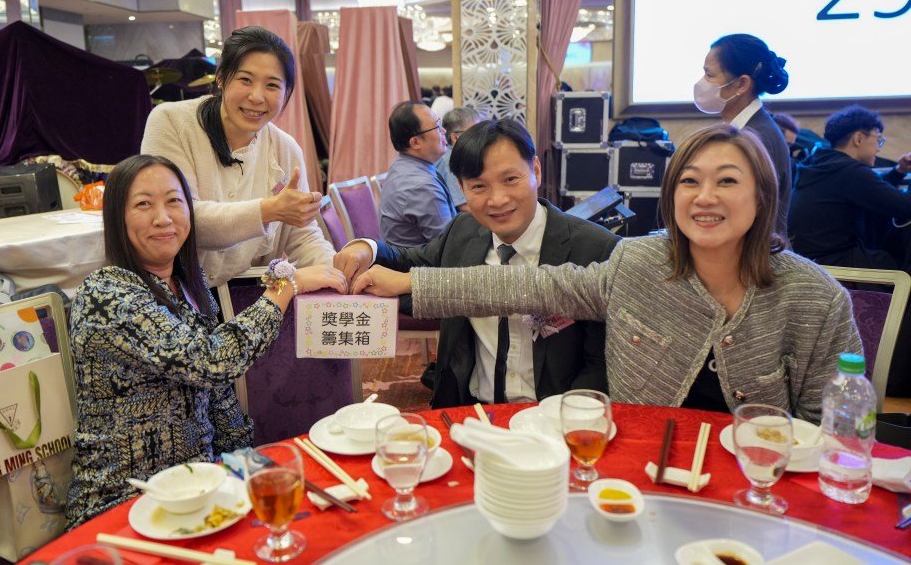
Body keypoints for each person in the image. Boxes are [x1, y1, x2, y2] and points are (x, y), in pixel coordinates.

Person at [354, 124, 861, 423]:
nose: (705, 197)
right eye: (689, 182)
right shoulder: (638, 264)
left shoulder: (815, 298)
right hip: (634, 473)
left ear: (763, 195)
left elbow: (832, 427)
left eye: (727, 181)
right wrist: (406, 280)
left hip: (756, 481)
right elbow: (528, 284)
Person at [65, 155, 346, 528]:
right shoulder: (106, 294)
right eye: (144, 204)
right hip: (124, 501)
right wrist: (285, 286)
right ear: (117, 216)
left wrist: (247, 465)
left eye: (174, 201)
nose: (163, 218)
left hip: (200, 489)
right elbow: (211, 362)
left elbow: (219, 395)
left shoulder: (187, 281)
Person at [337, 119, 619, 407]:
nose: (497, 200)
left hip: (555, 415)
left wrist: (564, 418)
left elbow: (602, 364)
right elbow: (408, 259)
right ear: (461, 188)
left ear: (535, 170)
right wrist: (366, 248)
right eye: (479, 186)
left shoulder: (596, 249)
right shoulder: (462, 232)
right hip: (471, 410)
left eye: (510, 179)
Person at [141, 26, 333, 311]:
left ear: (286, 93)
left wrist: (336, 270)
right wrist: (269, 210)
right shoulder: (171, 123)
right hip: (175, 301)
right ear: (221, 78)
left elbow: (302, 235)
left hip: (249, 300)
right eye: (245, 80)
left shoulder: (286, 149)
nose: (257, 97)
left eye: (272, 86)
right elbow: (178, 219)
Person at [789, 105, 911, 270]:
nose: (879, 148)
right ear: (858, 138)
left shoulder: (819, 162)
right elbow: (905, 207)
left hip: (808, 261)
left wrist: (899, 171)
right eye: (878, 139)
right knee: (899, 259)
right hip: (835, 264)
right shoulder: (850, 172)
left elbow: (873, 190)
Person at [694, 34, 792, 237]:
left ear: (741, 84)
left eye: (710, 75)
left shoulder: (757, 137)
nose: (702, 83)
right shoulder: (747, 128)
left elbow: (748, 214)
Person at [378, 100, 457, 246]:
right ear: (415, 143)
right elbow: (449, 247)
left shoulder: (403, 164)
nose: (444, 131)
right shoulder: (421, 186)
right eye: (437, 127)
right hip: (422, 261)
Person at [437, 106, 489, 212]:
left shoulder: (464, 155)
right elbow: (463, 206)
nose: (482, 137)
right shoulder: (450, 160)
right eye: (475, 132)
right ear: (455, 137)